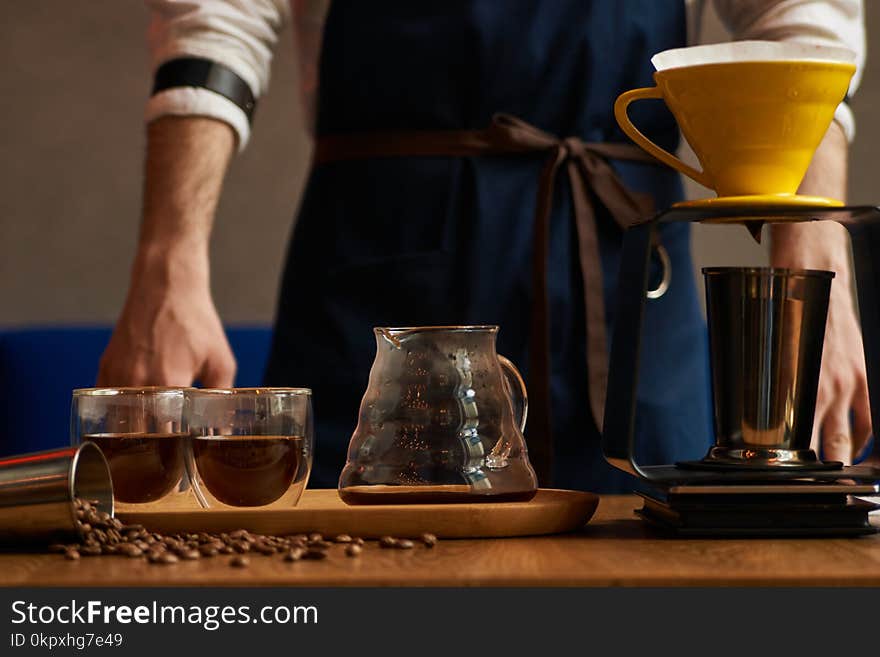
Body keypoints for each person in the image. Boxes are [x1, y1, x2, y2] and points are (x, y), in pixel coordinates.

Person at [99, 0, 870, 492]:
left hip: (627, 292)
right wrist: (169, 259)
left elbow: (801, 19)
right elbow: (217, 16)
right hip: (381, 281)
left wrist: (815, 246)